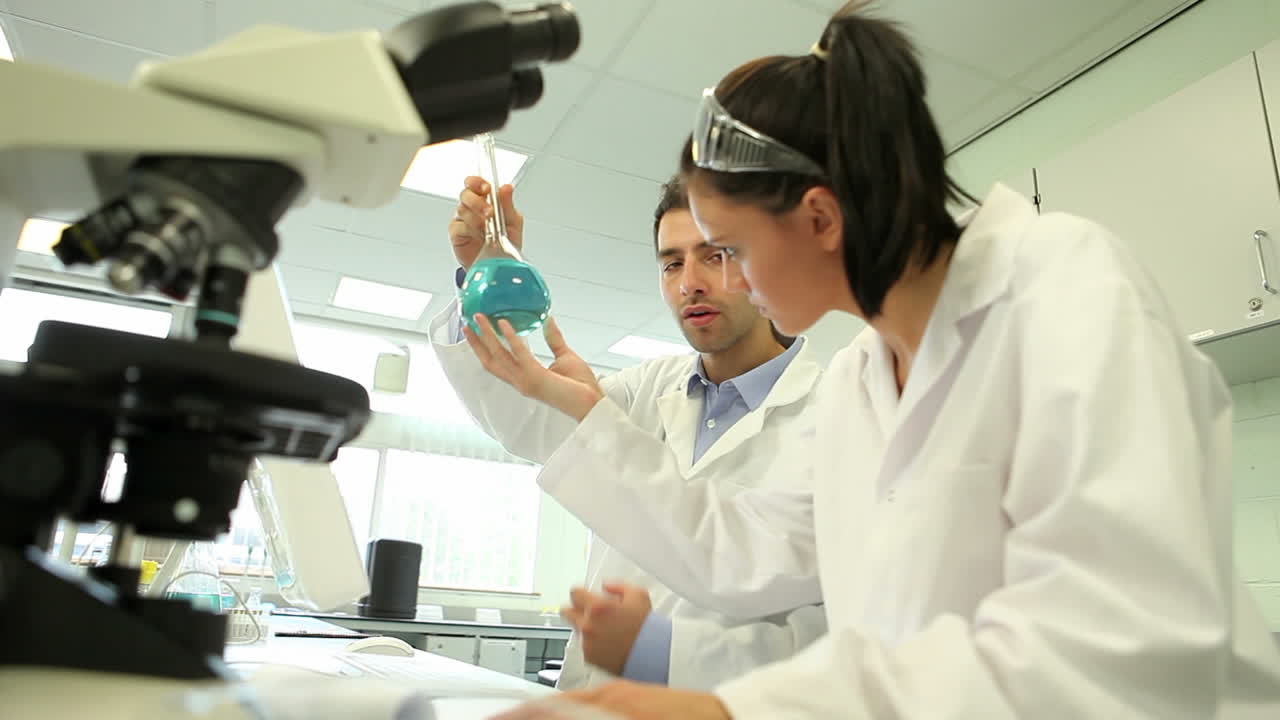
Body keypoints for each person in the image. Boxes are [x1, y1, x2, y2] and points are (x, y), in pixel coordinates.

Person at [474, 2, 1280, 718]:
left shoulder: (1066, 290)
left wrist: (718, 712)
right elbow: (750, 555)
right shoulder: (863, 377)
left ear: (820, 219)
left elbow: (1118, 646)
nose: (728, 281)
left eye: (732, 249)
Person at [428, 174, 828, 691]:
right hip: (595, 694)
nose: (689, 283)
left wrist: (662, 653)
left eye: (716, 256)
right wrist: (485, 282)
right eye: (672, 263)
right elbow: (527, 423)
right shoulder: (646, 388)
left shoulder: (830, 418)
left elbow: (831, 640)